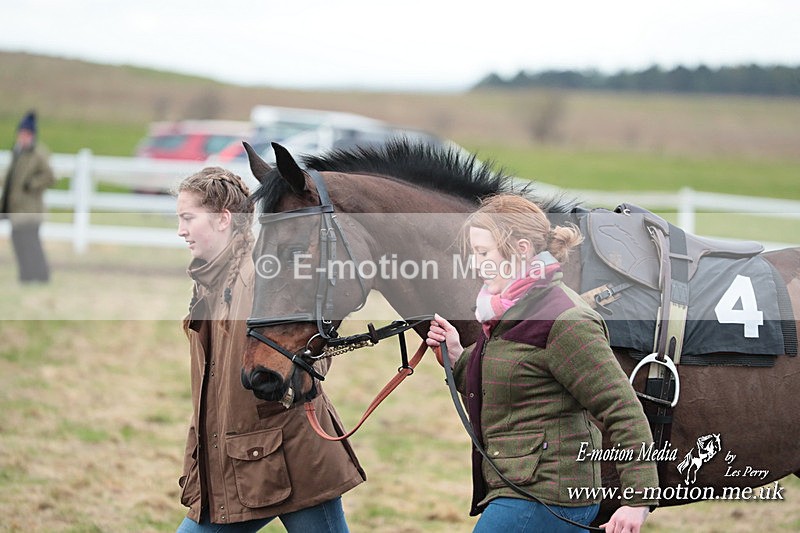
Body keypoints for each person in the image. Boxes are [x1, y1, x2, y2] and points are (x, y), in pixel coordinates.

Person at [426, 194, 658, 533]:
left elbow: (622, 408)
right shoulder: (508, 307)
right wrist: (458, 357)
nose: (476, 265)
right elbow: (515, 381)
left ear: (521, 249)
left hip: (546, 497)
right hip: (521, 487)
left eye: (483, 253)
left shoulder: (564, 320)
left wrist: (638, 500)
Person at [174, 167, 366, 532]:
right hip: (240, 464)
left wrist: (293, 375)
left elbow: (314, 348)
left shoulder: (263, 275)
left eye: (188, 218)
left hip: (294, 459)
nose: (180, 230)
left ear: (223, 220)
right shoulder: (210, 280)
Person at [0, 110, 56, 283]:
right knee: (19, 243)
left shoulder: (38, 154)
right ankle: (26, 276)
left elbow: (49, 177)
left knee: (31, 244)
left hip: (30, 209)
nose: (22, 137)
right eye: (21, 133)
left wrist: (32, 184)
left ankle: (40, 276)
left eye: (26, 134)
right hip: (17, 208)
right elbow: (12, 178)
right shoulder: (18, 153)